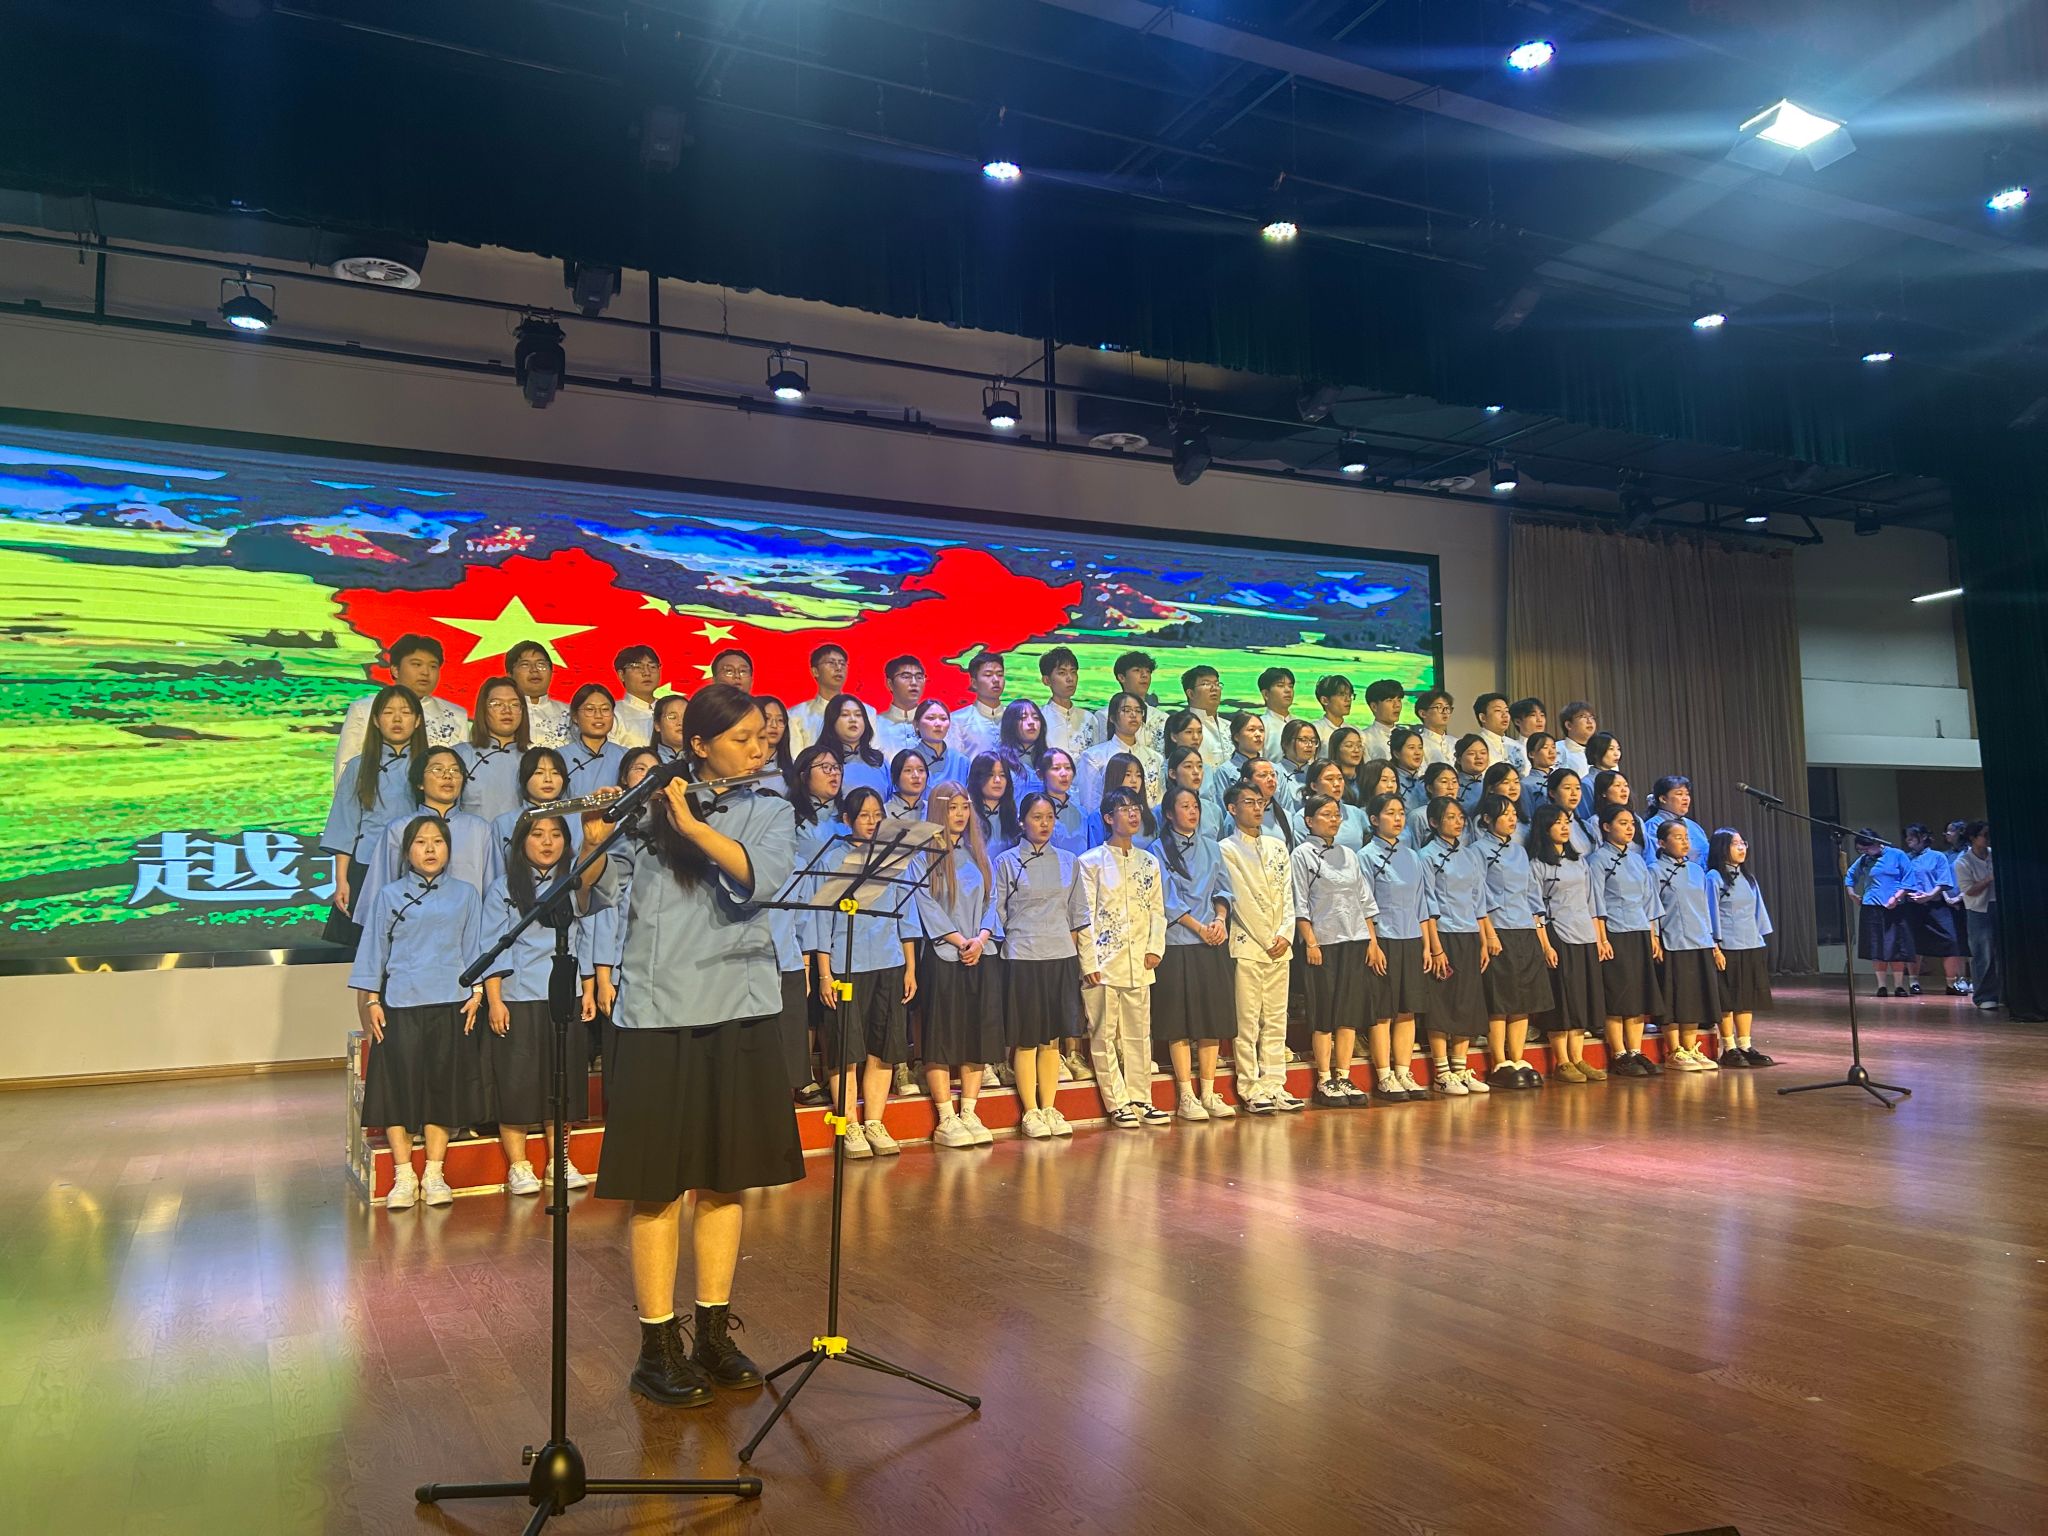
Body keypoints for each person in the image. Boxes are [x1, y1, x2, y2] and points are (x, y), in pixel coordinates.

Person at [577, 685, 799, 1406]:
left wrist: (690, 823)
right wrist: (593, 838)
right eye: (743, 739)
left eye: (763, 737)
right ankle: (657, 1347)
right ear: (698, 745)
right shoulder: (647, 807)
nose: (759, 749)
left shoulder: (771, 808)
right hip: (656, 1011)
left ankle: (712, 1335)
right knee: (658, 1187)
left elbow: (760, 878)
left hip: (740, 1004)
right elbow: (591, 893)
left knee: (725, 1180)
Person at [348, 813, 485, 1210]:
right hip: (401, 1003)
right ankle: (404, 1174)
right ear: (407, 851)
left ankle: (435, 1172)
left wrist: (477, 991)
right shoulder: (389, 895)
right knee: (398, 1089)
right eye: (421, 842)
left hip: (450, 1001)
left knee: (442, 1088)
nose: (430, 849)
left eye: (438, 842)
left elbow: (475, 946)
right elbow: (373, 950)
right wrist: (371, 1000)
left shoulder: (466, 894)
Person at [479, 811, 605, 1198]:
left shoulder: (574, 882)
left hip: (563, 993)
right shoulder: (503, 887)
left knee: (561, 1081)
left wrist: (587, 989)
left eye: (555, 834)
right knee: (515, 1083)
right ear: (521, 842)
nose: (547, 842)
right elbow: (492, 944)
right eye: (537, 834)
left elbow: (585, 936)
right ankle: (519, 1165)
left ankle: (559, 1160)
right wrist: (495, 1000)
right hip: (518, 994)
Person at [807, 786, 918, 1159]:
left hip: (888, 962)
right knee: (847, 1049)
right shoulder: (832, 859)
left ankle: (874, 1121)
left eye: (877, 815)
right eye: (864, 816)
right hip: (845, 965)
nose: (872, 822)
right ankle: (849, 1124)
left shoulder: (893, 858)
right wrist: (824, 973)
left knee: (882, 1049)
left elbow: (905, 913)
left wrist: (910, 967)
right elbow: (821, 919)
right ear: (847, 820)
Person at [1073, 788, 1171, 1130]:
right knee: (1103, 1033)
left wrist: (1155, 947)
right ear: (1108, 817)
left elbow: (1157, 910)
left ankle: (1141, 1097)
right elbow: (1084, 915)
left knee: (1139, 1032)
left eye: (1136, 808)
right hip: (1104, 962)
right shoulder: (1090, 862)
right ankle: (1117, 1102)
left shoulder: (1148, 862)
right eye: (1124, 808)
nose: (1132, 814)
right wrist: (1089, 963)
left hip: (1139, 959)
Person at [915, 782, 1005, 1150]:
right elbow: (926, 905)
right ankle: (946, 1117)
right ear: (939, 811)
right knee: (940, 1035)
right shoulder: (923, 857)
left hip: (979, 954)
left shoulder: (978, 854)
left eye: (964, 807)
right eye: (952, 807)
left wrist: (980, 939)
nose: (960, 814)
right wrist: (959, 941)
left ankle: (969, 1110)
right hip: (944, 957)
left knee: (976, 1034)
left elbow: (992, 901)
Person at [994, 793, 1087, 1137]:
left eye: (1049, 817)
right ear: (1022, 821)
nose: (1044, 823)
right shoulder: (1006, 861)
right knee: (1027, 1038)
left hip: (1060, 956)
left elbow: (1077, 913)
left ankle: (1049, 1107)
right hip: (1023, 956)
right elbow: (998, 911)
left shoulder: (1068, 861)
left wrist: (1069, 951)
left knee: (1051, 1040)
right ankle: (1030, 1111)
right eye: (1036, 817)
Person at [1147, 785, 1240, 1121]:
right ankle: (1186, 1094)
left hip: (1211, 942)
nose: (1192, 812)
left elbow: (1223, 889)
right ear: (1169, 813)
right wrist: (1199, 928)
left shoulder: (1212, 847)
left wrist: (1219, 920)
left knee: (1210, 1020)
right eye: (1184, 806)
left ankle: (1209, 1091)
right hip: (1178, 943)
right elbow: (1167, 899)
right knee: (1179, 1022)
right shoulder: (1157, 849)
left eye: (1195, 806)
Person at [1218, 780, 1303, 1115]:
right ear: (1232, 808)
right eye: (1249, 802)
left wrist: (1286, 933)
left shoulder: (1277, 846)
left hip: (1281, 946)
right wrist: (1268, 939)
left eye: (1260, 802)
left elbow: (1288, 894)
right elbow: (1240, 899)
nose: (1257, 808)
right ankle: (1250, 1087)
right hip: (1249, 946)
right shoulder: (1226, 848)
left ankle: (1275, 1084)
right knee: (1248, 1020)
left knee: (1277, 1018)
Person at [322, 684, 429, 942]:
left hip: (418, 868)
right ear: (376, 721)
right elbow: (344, 826)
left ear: (417, 721)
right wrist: (342, 880)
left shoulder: (431, 767)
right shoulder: (358, 767)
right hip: (367, 865)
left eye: (405, 712)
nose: (397, 719)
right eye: (388, 712)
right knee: (364, 947)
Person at [1291, 792, 1377, 1109]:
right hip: (1322, 943)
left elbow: (1364, 901)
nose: (1334, 820)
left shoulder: (1349, 855)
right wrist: (1310, 941)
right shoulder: (1302, 854)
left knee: (1348, 1013)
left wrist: (1372, 941)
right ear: (1309, 820)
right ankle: (1324, 1078)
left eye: (1336, 814)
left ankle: (1344, 1075)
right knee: (1324, 1013)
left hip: (1353, 940)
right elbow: (1299, 902)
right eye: (1326, 814)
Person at [355, 745, 494, 913]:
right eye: (437, 769)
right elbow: (378, 891)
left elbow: (493, 894)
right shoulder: (399, 828)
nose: (447, 776)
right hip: (411, 924)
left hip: (468, 924)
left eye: (455, 770)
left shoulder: (480, 829)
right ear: (420, 782)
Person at [1360, 793, 1436, 1102]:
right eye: (1390, 813)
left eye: (1401, 812)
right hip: (1384, 939)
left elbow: (1421, 903)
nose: (1398, 818)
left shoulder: (1412, 856)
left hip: (1411, 938)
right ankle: (1384, 1076)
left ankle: (1403, 1071)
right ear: (1374, 819)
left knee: (1407, 1010)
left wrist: (1427, 946)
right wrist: (1373, 943)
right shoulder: (1365, 856)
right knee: (1383, 1012)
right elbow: (1364, 905)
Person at [1476, 793, 1552, 1089]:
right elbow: (1479, 895)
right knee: (1501, 1000)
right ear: (1487, 818)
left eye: (1513, 814)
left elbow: (1533, 894)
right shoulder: (1477, 851)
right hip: (1499, 928)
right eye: (1504, 814)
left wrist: (1540, 933)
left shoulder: (1520, 851)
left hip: (1524, 928)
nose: (1512, 819)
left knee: (1523, 1000)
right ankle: (1499, 1061)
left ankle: (1517, 1058)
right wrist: (1489, 933)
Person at [1420, 797, 1493, 1095]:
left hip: (1469, 934)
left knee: (1466, 1002)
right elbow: (1428, 903)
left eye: (1460, 817)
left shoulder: (1470, 855)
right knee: (1442, 1003)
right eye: (1450, 817)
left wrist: (1484, 941)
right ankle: (1442, 1072)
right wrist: (1436, 948)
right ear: (1434, 822)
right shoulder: (1426, 856)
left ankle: (1460, 1069)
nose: (1458, 822)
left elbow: (1479, 900)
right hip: (1444, 934)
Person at [1528, 804, 1606, 1084]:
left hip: (1584, 934)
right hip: (1558, 934)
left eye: (1566, 822)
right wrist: (1545, 945)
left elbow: (1592, 901)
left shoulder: (1580, 861)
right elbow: (1535, 908)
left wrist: (1600, 938)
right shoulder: (1537, 864)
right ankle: (1562, 1061)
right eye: (1557, 822)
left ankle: (1578, 1057)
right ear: (1544, 827)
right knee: (1562, 999)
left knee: (1581, 999)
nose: (1564, 827)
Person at [333, 634, 469, 784]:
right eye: (416, 664)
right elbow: (345, 767)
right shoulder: (364, 709)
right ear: (395, 670)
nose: (425, 672)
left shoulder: (456, 715)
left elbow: (463, 770)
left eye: (433, 666)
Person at [1590, 803, 1663, 1078]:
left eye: (1631, 823)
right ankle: (1619, 1054)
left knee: (1637, 996)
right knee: (1618, 995)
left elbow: (1649, 900)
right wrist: (1602, 938)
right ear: (1606, 827)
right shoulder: (1598, 860)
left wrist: (1653, 934)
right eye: (1622, 823)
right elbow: (1595, 902)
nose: (1629, 828)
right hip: (1615, 933)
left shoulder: (1637, 860)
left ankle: (1635, 1050)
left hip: (1639, 931)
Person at [1651, 821, 1722, 1071]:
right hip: (1673, 940)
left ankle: (1691, 1048)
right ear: (1662, 842)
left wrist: (1713, 943)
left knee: (1694, 998)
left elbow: (1704, 908)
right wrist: (1654, 938)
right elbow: (1652, 908)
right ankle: (1674, 1051)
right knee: (1674, 998)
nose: (1685, 842)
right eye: (1678, 837)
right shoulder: (1655, 870)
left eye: (1686, 837)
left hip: (1699, 939)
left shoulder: (1696, 870)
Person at [1706, 827, 1778, 1066]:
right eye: (1735, 843)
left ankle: (1745, 1045)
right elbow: (1710, 913)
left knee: (1747, 997)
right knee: (1728, 998)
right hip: (1727, 946)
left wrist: (1759, 940)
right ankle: (1729, 1047)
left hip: (1751, 943)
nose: (1741, 847)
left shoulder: (1749, 878)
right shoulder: (1714, 877)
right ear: (1721, 848)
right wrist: (1715, 947)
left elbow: (1759, 913)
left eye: (1742, 843)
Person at [1847, 830, 1916, 996]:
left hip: (1895, 906)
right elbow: (1849, 876)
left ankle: (1899, 985)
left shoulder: (1897, 855)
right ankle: (1881, 985)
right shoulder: (1864, 860)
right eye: (1861, 850)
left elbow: (1909, 879)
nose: (1864, 852)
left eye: (1866, 848)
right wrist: (1852, 894)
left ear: (1876, 843)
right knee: (1876, 947)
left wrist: (1897, 897)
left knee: (1896, 946)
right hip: (1872, 906)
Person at [490, 747, 581, 870]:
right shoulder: (502, 823)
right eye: (539, 773)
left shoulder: (579, 820)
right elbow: (496, 871)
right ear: (524, 778)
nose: (548, 779)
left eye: (555, 773)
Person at [1901, 823, 1965, 996]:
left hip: (1936, 904)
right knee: (1914, 944)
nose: (1908, 840)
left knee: (1951, 941)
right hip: (1913, 905)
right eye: (1907, 837)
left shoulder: (1938, 856)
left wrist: (1929, 895)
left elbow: (1944, 881)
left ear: (1923, 837)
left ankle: (1951, 983)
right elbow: (1901, 881)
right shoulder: (1905, 858)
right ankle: (1914, 981)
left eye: (1912, 836)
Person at [459, 675, 530, 825]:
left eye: (514, 704)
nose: (507, 710)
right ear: (483, 710)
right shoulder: (460, 755)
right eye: (497, 704)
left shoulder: (534, 760)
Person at [1078, 692, 1163, 813]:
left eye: (1138, 711)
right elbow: (1090, 804)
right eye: (1126, 710)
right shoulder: (1094, 757)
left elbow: (1159, 803)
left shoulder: (1155, 758)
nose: (1133, 715)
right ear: (1112, 718)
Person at [1953, 823, 1999, 1011]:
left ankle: (2004, 993)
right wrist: (1990, 878)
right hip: (1979, 910)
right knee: (1983, 954)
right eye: (1984, 835)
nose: (1988, 838)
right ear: (1972, 838)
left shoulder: (1995, 854)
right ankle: (1984, 996)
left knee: (2002, 953)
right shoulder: (1963, 862)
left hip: (1999, 906)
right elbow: (1969, 891)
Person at [1093, 651, 1164, 757]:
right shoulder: (1104, 715)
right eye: (1137, 670)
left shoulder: (1162, 718)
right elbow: (1100, 752)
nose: (1145, 675)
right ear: (1121, 677)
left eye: (1148, 671)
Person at [820, 694, 889, 798]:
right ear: (832, 721)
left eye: (858, 715)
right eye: (845, 715)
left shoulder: (879, 761)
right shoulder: (821, 762)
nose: (853, 719)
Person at [507, 639, 572, 749]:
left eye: (541, 664)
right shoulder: (501, 714)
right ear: (510, 675)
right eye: (525, 665)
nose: (534, 670)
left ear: (551, 672)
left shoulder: (571, 714)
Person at [565, 684, 626, 798]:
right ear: (575, 717)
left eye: (605, 709)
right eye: (590, 709)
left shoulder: (626, 756)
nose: (598, 715)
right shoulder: (560, 757)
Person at [1038, 646, 1099, 758]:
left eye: (1073, 672)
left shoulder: (1089, 718)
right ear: (1046, 680)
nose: (1070, 678)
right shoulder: (1039, 718)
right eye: (1062, 673)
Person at [787, 643, 849, 754]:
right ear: (815, 671)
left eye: (842, 663)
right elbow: (795, 757)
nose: (839, 668)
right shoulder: (796, 715)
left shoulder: (866, 712)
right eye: (831, 663)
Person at [1293, 760, 1369, 849]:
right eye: (1329, 779)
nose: (1337, 784)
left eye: (1340, 778)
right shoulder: (1303, 817)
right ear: (1314, 786)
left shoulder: (1355, 813)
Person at [950, 651, 1009, 761]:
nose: (996, 680)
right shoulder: (957, 720)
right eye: (988, 675)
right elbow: (954, 763)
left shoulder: (1015, 717)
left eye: (1000, 675)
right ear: (974, 683)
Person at [967, 751, 1021, 860]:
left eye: (1002, 775)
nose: (997, 780)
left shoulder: (1014, 817)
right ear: (977, 778)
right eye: (990, 775)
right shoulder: (967, 815)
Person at [872, 654, 927, 759]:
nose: (914, 682)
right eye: (906, 677)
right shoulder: (875, 724)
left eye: (919, 677)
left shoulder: (935, 723)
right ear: (890, 684)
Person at [1643, 776, 1708, 865]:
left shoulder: (1693, 825)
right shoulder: (1653, 825)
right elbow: (1654, 860)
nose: (1685, 798)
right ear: (1663, 799)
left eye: (1687, 794)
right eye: (1679, 794)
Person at [611, 644, 665, 748]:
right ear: (621, 675)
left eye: (653, 666)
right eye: (637, 667)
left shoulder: (671, 709)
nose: (647, 673)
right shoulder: (613, 713)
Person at [1179, 664, 1231, 768]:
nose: (1214, 688)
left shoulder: (1230, 726)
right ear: (1191, 694)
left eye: (1217, 684)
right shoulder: (1181, 727)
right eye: (1206, 684)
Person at [1039, 748, 1089, 857]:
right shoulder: (1035, 812)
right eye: (1056, 768)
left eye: (1068, 768)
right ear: (1041, 774)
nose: (1064, 773)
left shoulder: (1082, 812)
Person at [998, 699, 1050, 798]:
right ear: (1010, 724)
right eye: (1023, 718)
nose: (1031, 722)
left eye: (1036, 718)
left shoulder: (1050, 759)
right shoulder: (997, 760)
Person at [911, 696, 966, 784]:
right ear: (916, 724)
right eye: (931, 718)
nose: (938, 724)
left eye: (943, 719)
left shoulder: (961, 761)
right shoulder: (907, 760)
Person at [1547, 768, 1597, 858]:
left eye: (1578, 788)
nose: (1574, 793)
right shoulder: (1545, 825)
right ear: (1552, 793)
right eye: (1567, 788)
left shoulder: (1587, 827)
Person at [1358, 679, 1406, 761]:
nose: (1397, 705)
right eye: (1390, 700)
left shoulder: (1407, 737)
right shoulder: (1364, 738)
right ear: (1374, 706)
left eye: (1399, 700)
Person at [1257, 666, 1299, 750]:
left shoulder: (1300, 724)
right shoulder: (1260, 726)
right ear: (1266, 694)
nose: (1288, 690)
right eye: (1280, 685)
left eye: (1291, 686)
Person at [1412, 687, 1456, 767]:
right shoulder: (1418, 744)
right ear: (1423, 713)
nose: (1445, 712)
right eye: (1439, 707)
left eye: (1447, 708)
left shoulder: (1456, 742)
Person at [1472, 692, 1517, 769]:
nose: (1505, 715)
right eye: (1498, 710)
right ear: (1482, 717)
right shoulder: (1474, 745)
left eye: (1506, 711)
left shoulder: (1517, 746)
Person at [1556, 702, 1598, 779]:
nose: (1589, 721)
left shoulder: (1601, 750)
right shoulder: (1557, 749)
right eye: (1583, 717)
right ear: (1569, 725)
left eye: (1591, 717)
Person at [886, 747, 929, 822]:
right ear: (895, 777)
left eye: (921, 770)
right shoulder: (883, 812)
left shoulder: (933, 810)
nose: (916, 775)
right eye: (908, 770)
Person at [1310, 674, 1354, 748]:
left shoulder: (1356, 732)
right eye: (1342, 694)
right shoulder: (1315, 730)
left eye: (1350, 695)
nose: (1348, 699)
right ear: (1324, 700)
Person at [755, 696, 794, 779]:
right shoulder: (738, 767)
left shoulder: (794, 768)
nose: (774, 725)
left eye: (780, 720)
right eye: (767, 718)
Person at [1519, 734, 1559, 813]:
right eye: (1545, 747)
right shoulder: (1525, 784)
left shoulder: (1561, 779)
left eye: (1553, 747)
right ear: (1531, 754)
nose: (1551, 752)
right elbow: (1527, 814)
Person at [1391, 726, 1428, 808]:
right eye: (1411, 748)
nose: (1417, 752)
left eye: (1420, 748)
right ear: (1396, 753)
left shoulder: (1425, 782)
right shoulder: (1391, 782)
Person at [1452, 733, 1490, 812]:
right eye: (1471, 754)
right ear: (1459, 759)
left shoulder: (1491, 786)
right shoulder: (1451, 784)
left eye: (1483, 753)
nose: (1478, 757)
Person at [1508, 698, 1547, 771]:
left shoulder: (1554, 748)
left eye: (1542, 715)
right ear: (1517, 721)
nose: (1539, 720)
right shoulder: (1511, 748)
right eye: (1533, 715)